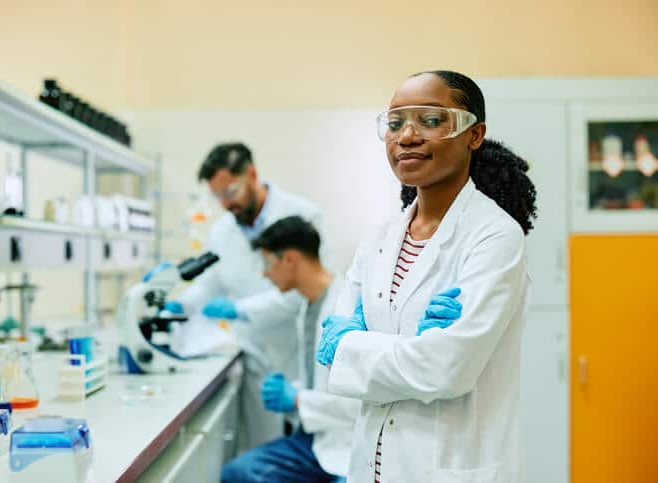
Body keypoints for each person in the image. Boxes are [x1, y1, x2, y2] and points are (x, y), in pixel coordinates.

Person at [316, 70, 537, 483]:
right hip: (372, 465)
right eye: (396, 122)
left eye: (432, 120)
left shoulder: (494, 236)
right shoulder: (379, 237)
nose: (408, 136)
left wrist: (356, 347)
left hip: (450, 467)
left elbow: (446, 370)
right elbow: (331, 359)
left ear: (475, 135)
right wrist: (413, 347)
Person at [221, 216, 464, 483]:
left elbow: (363, 392)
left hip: (350, 441)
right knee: (238, 472)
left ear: (289, 259)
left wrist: (298, 399)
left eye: (267, 263)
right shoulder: (307, 306)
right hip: (318, 437)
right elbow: (324, 379)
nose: (264, 274)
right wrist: (294, 391)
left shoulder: (345, 306)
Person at [167, 143, 325, 448]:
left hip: (298, 351)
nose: (226, 204)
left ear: (251, 174)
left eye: (231, 192)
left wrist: (239, 309)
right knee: (261, 445)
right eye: (218, 197)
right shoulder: (222, 232)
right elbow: (209, 286)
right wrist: (176, 303)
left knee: (311, 447)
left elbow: (306, 291)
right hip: (254, 355)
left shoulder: (303, 215)